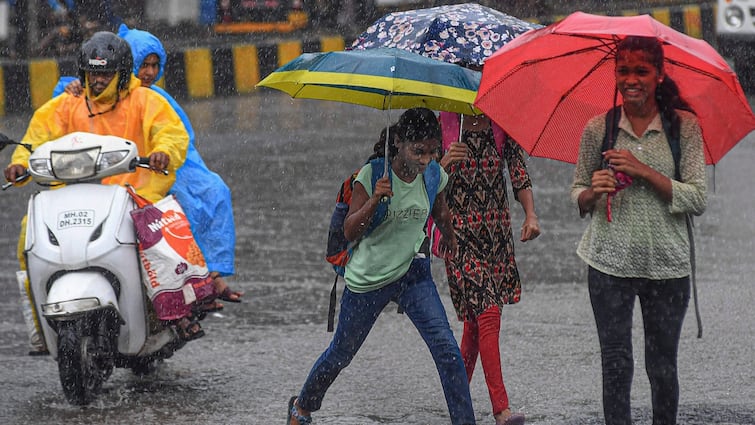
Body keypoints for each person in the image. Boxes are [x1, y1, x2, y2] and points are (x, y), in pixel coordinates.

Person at [4, 31, 199, 341]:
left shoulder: (146, 100)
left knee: (156, 240)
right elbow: (36, 138)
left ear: (122, 74)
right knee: (29, 233)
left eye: (105, 74)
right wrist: (19, 163)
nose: (97, 81)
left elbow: (170, 133)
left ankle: (174, 315)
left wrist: (163, 152)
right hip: (72, 196)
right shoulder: (68, 104)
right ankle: (39, 329)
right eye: (93, 73)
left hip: (135, 193)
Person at [287, 108, 476, 425]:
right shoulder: (373, 174)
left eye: (432, 152)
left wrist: (450, 236)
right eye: (418, 151)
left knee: (446, 349)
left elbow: (439, 209)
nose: (426, 160)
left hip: (414, 274)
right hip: (369, 278)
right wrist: (375, 199)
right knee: (341, 354)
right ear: (399, 143)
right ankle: (302, 407)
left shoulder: (432, 174)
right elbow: (350, 230)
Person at [570, 36, 707, 425]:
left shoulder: (684, 128)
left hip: (668, 266)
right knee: (615, 364)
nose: (631, 80)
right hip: (608, 263)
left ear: (659, 75)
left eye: (641, 71)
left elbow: (697, 198)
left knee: (662, 366)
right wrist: (592, 194)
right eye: (624, 71)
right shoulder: (600, 128)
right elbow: (577, 190)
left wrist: (642, 170)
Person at [56, 23, 242, 306]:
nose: (150, 72)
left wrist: (165, 154)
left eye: (155, 65)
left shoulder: (155, 98)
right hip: (105, 176)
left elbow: (176, 137)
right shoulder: (89, 89)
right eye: (144, 64)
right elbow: (55, 118)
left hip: (151, 170)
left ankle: (204, 280)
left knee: (209, 192)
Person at [436, 110, 540, 425]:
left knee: (475, 323)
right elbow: (421, 182)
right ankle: (501, 410)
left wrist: (531, 214)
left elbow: (518, 170)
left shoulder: (501, 123)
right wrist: (442, 166)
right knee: (489, 313)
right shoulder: (443, 125)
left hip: (495, 236)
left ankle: (459, 404)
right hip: (457, 237)